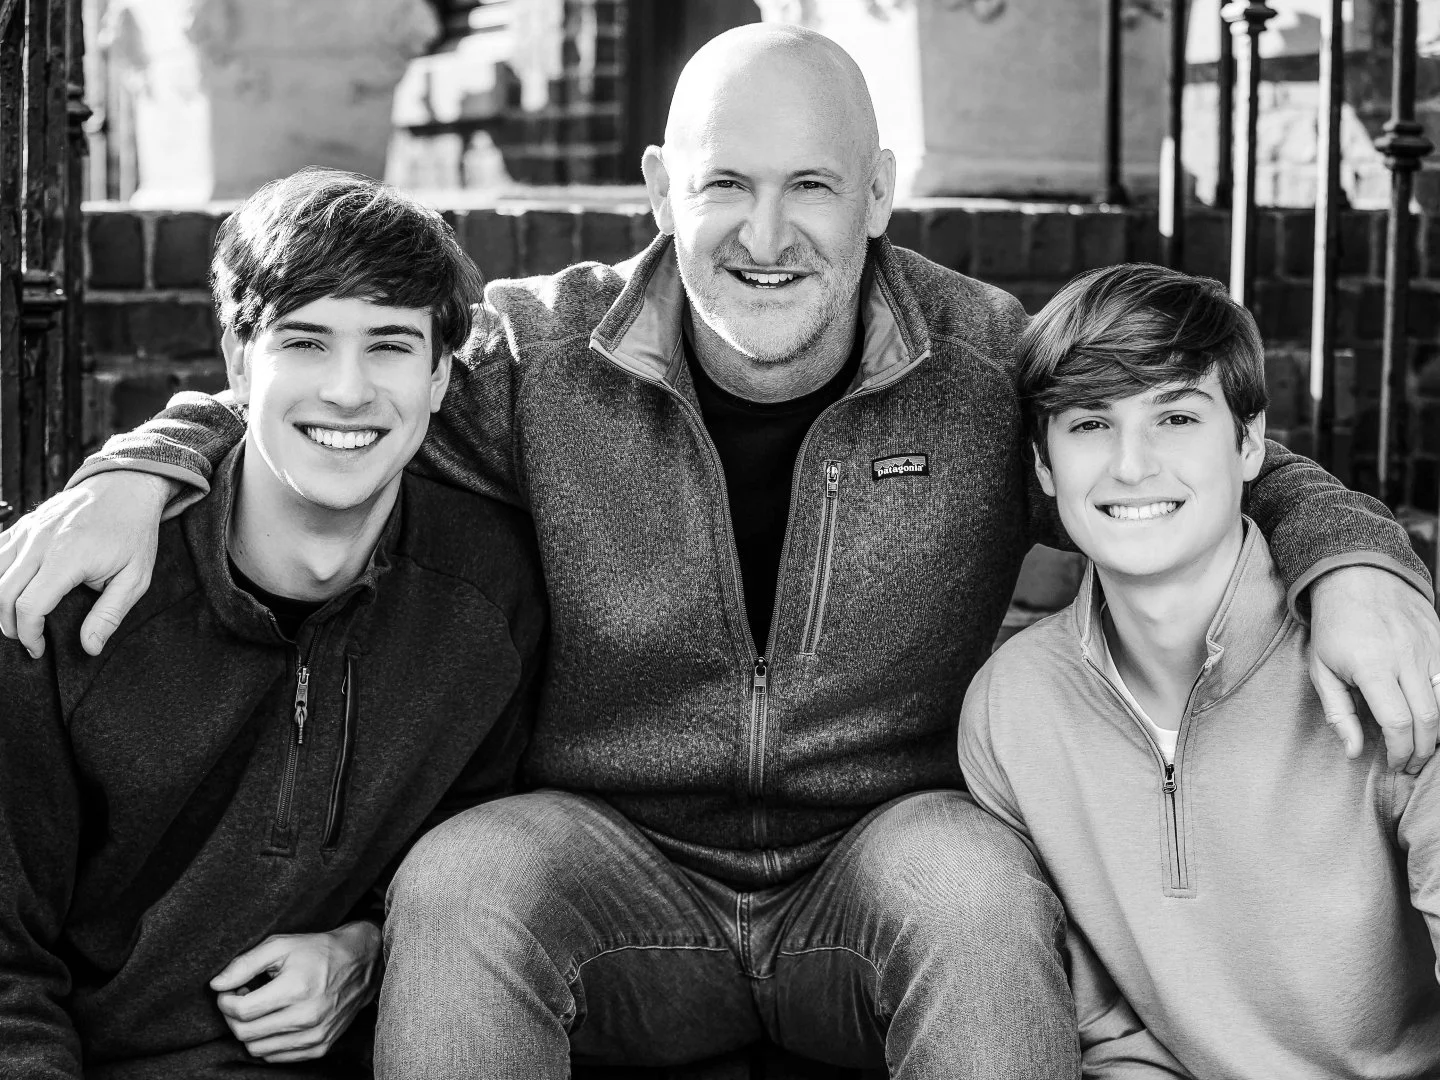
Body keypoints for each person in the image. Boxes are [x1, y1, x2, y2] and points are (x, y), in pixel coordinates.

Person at [0, 22, 1437, 1080]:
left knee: (974, 882)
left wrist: (1353, 561)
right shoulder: (542, 353)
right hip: (616, 860)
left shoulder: (981, 362)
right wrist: (148, 461)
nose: (765, 235)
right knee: (465, 877)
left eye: (811, 186)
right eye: (724, 184)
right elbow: (343, 384)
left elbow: (1190, 450)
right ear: (656, 187)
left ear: (880, 191)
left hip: (874, 855)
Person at [0, 169, 546, 1079]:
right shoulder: (59, 599)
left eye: (389, 345)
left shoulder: (492, 594)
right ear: (238, 360)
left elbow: (486, 857)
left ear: (441, 376)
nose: (347, 390)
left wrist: (370, 947)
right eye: (304, 340)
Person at [958, 263, 1440, 1078]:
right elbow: (1104, 1028)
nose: (1132, 465)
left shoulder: (1388, 667)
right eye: (1090, 423)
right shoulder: (1012, 709)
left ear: (1250, 444)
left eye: (1176, 416)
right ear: (1043, 466)